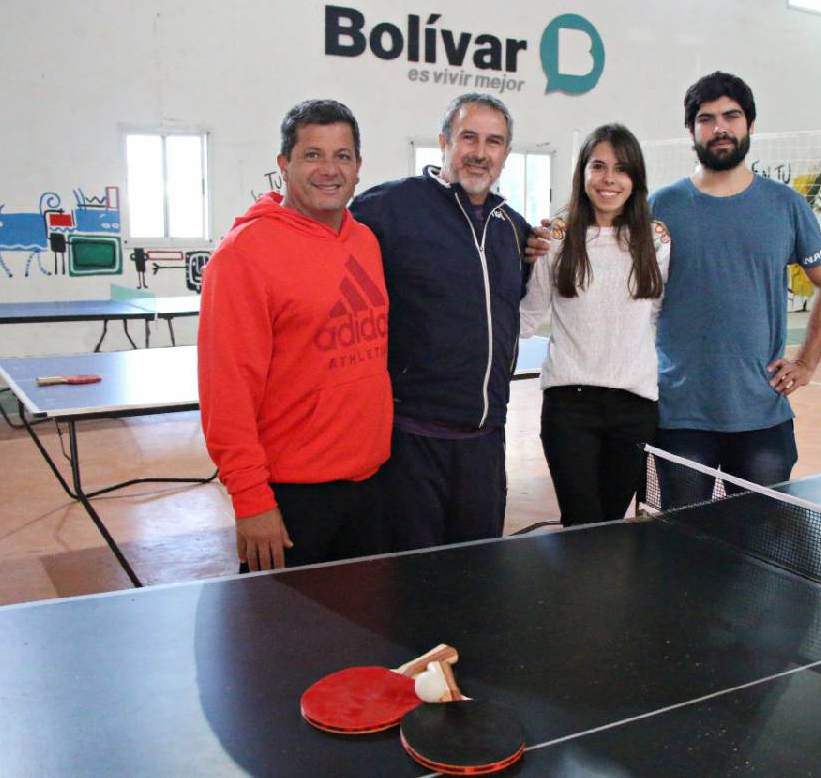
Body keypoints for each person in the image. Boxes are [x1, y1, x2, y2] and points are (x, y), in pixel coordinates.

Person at [198, 99, 392, 572]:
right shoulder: (243, 256)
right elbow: (227, 391)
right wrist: (251, 499)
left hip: (372, 485)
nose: (329, 169)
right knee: (286, 644)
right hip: (291, 498)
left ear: (359, 167)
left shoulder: (364, 241)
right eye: (313, 155)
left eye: (342, 156)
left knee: (366, 639)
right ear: (283, 164)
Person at [350, 93, 530, 550]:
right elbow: (318, 238)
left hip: (485, 442)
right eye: (468, 137)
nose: (479, 152)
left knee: (475, 578)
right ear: (444, 142)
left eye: (494, 142)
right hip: (411, 441)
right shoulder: (388, 209)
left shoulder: (514, 229)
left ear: (505, 154)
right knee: (411, 582)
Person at [650, 72, 821, 497]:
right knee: (685, 538)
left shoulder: (786, 205)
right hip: (681, 414)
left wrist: (807, 363)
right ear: (690, 130)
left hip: (761, 414)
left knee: (759, 543)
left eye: (731, 116)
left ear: (750, 125)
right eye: (707, 118)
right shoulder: (660, 206)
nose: (720, 127)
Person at [519, 124, 670, 526]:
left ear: (634, 178)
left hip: (635, 407)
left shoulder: (656, 241)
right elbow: (528, 316)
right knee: (581, 524)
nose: (609, 179)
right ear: (582, 173)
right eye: (598, 166)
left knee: (610, 524)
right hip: (570, 407)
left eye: (621, 169)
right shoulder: (556, 237)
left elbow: (654, 313)